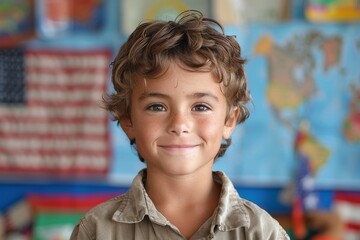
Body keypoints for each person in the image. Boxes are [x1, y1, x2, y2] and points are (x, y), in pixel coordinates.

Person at [70, 10, 290, 240]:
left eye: (201, 107)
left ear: (229, 120)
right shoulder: (97, 230)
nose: (179, 124)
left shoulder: (262, 232)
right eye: (157, 107)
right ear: (127, 120)